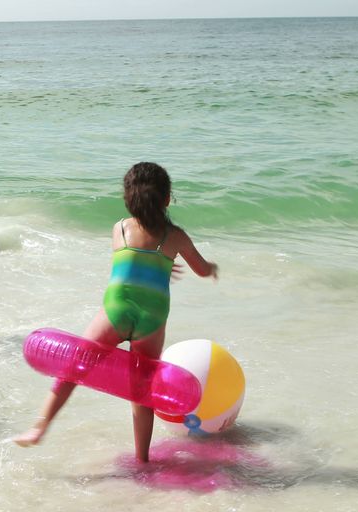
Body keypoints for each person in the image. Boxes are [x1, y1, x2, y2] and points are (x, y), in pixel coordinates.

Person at [13, 162, 219, 463]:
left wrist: (156, 262)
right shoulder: (175, 237)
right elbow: (199, 269)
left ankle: (39, 427)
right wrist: (210, 268)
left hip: (116, 311)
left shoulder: (120, 229)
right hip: (152, 320)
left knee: (74, 367)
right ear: (167, 199)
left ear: (128, 199)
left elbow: (135, 260)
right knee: (142, 392)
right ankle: (142, 460)